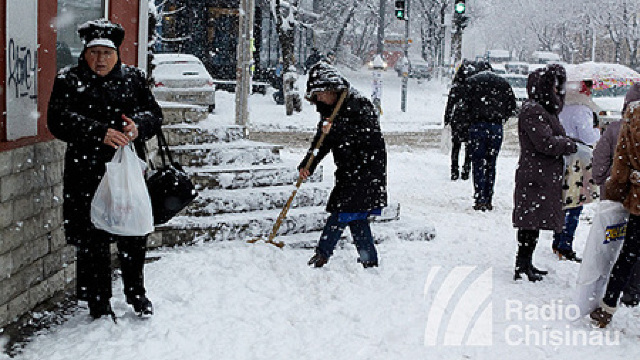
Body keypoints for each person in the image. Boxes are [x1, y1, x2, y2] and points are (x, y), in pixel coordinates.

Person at [47, 19, 163, 320]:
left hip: (126, 172)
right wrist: (98, 132)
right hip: (86, 171)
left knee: (133, 235)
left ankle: (137, 294)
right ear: (85, 53)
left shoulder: (134, 79)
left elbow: (154, 114)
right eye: (94, 52)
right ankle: (99, 302)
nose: (100, 60)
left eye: (107, 53)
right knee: (92, 238)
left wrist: (139, 127)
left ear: (117, 55)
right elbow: (57, 119)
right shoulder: (69, 79)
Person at [299, 62, 387, 268]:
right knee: (356, 216)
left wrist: (336, 129)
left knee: (341, 212)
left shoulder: (360, 104)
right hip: (348, 171)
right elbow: (322, 141)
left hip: (365, 170)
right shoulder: (330, 108)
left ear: (331, 89)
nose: (318, 99)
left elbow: (366, 138)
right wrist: (308, 165)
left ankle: (322, 254)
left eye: (319, 94)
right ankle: (369, 259)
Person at [512, 64, 578, 282]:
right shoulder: (534, 111)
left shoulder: (542, 110)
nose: (559, 90)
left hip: (542, 175)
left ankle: (526, 263)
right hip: (536, 175)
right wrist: (568, 144)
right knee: (529, 222)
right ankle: (522, 266)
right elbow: (545, 143)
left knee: (533, 221)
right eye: (555, 85)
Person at [590, 86, 640, 328]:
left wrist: (616, 194)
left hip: (639, 200)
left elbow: (620, 164)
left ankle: (607, 308)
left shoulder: (630, 118)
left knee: (628, 255)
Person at [552, 79, 602, 262]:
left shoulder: (560, 107)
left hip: (561, 155)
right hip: (578, 157)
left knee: (563, 200)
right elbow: (587, 136)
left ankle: (557, 239)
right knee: (576, 201)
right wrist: (597, 130)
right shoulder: (582, 109)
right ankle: (565, 244)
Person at [465, 62, 517, 210]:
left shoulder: (472, 83)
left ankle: (479, 195)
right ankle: (488, 196)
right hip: (495, 127)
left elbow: (464, 106)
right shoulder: (503, 83)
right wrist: (500, 117)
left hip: (477, 126)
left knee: (478, 162)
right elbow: (512, 107)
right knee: (491, 163)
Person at [443, 60, 477, 181]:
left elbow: (450, 104)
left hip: (457, 120)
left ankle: (454, 170)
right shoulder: (473, 87)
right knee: (469, 147)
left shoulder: (456, 87)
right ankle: (466, 170)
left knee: (456, 146)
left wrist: (446, 119)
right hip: (470, 120)